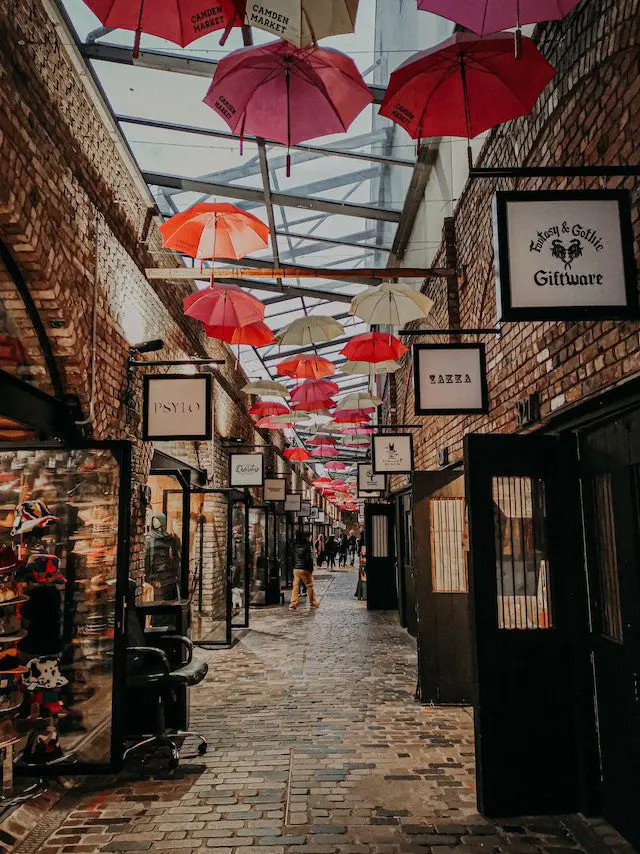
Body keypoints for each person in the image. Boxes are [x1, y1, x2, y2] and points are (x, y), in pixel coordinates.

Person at [289, 531, 319, 611]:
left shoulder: (294, 545)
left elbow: (291, 557)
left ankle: (293, 603)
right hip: (304, 569)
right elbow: (308, 559)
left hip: (296, 569)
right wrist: (310, 569)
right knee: (310, 585)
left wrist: (293, 567)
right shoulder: (307, 546)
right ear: (308, 537)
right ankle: (312, 602)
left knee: (295, 586)